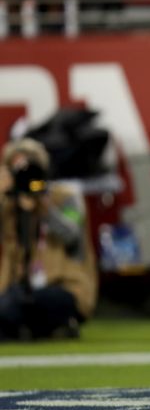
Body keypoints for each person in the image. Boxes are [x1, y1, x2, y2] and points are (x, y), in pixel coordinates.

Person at [0, 138, 97, 341]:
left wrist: (42, 206)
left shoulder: (66, 197)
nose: (26, 176)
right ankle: (46, 328)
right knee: (15, 299)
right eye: (18, 169)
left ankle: (33, 325)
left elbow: (71, 234)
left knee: (17, 302)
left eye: (30, 167)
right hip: (19, 288)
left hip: (65, 287)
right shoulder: (9, 206)